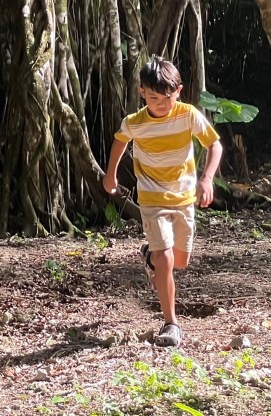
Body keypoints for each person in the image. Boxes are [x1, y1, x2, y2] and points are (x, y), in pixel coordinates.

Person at [102, 55, 222, 348]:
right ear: (142, 92)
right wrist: (110, 175)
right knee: (166, 259)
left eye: (166, 98)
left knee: (179, 261)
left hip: (183, 198)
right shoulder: (135, 122)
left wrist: (206, 179)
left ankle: (149, 255)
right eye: (153, 97)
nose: (160, 104)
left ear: (178, 92)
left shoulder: (187, 114)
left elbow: (214, 144)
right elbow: (120, 141)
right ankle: (171, 324)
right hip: (153, 199)